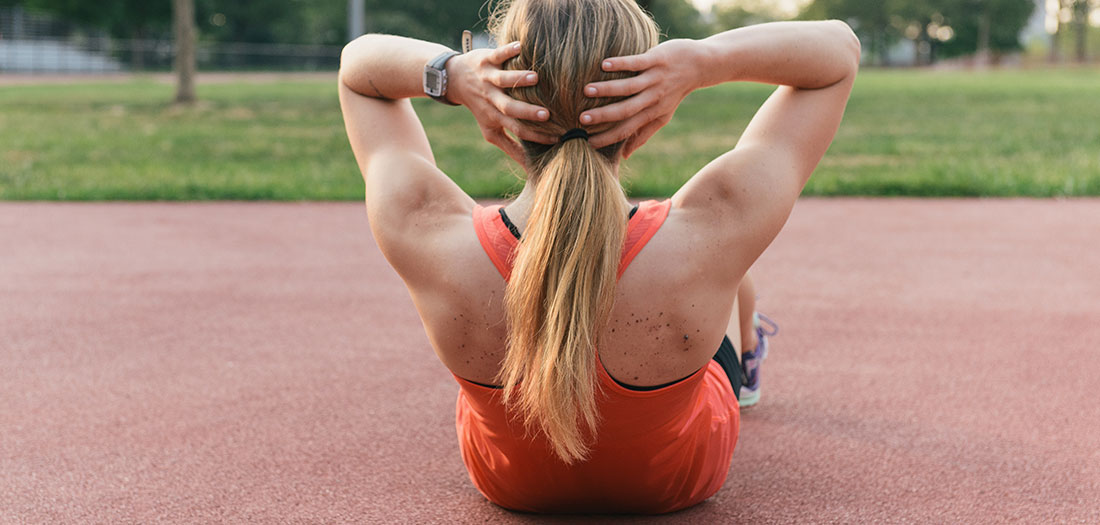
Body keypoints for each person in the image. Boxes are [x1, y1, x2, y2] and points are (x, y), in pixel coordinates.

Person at [338, 0, 858, 514]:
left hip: (512, 488)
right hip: (676, 485)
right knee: (727, 265)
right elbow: (837, 53)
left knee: (705, 258)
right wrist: (702, 61)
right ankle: (745, 357)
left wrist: (449, 74)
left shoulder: (425, 227)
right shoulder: (716, 222)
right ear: (644, 100)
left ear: (500, 86)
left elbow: (358, 70)